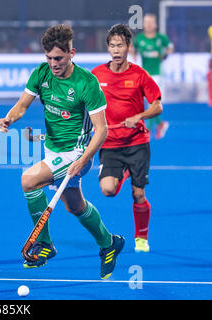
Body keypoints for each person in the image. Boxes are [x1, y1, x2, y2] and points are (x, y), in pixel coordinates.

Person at [0, 24, 124, 280]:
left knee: (29, 180)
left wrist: (83, 160)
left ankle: (44, 244)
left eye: (58, 58)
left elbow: (102, 131)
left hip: (77, 153)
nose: (53, 63)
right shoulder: (41, 74)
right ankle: (109, 242)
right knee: (75, 206)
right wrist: (9, 119)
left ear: (71, 54)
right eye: (49, 58)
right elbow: (22, 106)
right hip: (53, 149)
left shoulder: (86, 83)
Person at [92, 24, 163, 253]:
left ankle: (141, 237)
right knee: (108, 190)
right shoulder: (96, 75)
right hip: (110, 143)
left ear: (128, 47)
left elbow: (157, 105)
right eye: (112, 45)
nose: (115, 50)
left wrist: (139, 116)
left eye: (120, 45)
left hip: (136, 142)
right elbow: (83, 103)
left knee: (138, 193)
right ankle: (121, 171)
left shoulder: (140, 74)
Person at [130, 13, 173, 139]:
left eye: (150, 22)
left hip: (157, 74)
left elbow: (170, 47)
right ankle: (160, 124)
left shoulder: (161, 38)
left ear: (155, 24)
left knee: (152, 102)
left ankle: (147, 129)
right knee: (148, 102)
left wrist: (165, 54)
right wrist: (133, 53)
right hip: (144, 74)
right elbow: (132, 46)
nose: (148, 25)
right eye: (146, 22)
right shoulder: (140, 38)